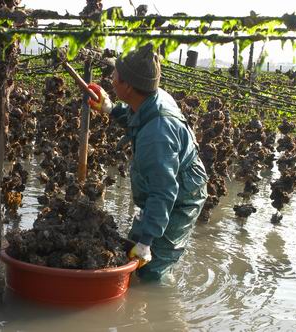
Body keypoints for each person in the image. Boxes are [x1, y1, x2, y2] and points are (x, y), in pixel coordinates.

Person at [88, 44, 208, 282]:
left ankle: (157, 309)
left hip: (183, 197)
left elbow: (164, 193)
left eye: (115, 76)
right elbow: (137, 117)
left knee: (152, 268)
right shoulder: (151, 97)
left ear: (129, 86)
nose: (111, 79)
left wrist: (146, 243)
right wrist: (111, 108)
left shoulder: (157, 137)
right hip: (170, 183)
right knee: (132, 252)